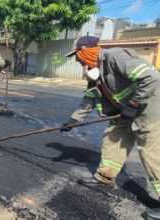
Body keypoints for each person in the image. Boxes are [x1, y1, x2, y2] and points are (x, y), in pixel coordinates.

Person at [61, 36, 160, 219]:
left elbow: (152, 78)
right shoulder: (94, 71)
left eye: (77, 55)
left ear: (87, 51)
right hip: (124, 113)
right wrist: (72, 121)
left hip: (149, 109)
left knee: (151, 153)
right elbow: (89, 99)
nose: (77, 60)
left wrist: (134, 103)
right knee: (112, 139)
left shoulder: (115, 57)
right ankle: (104, 178)